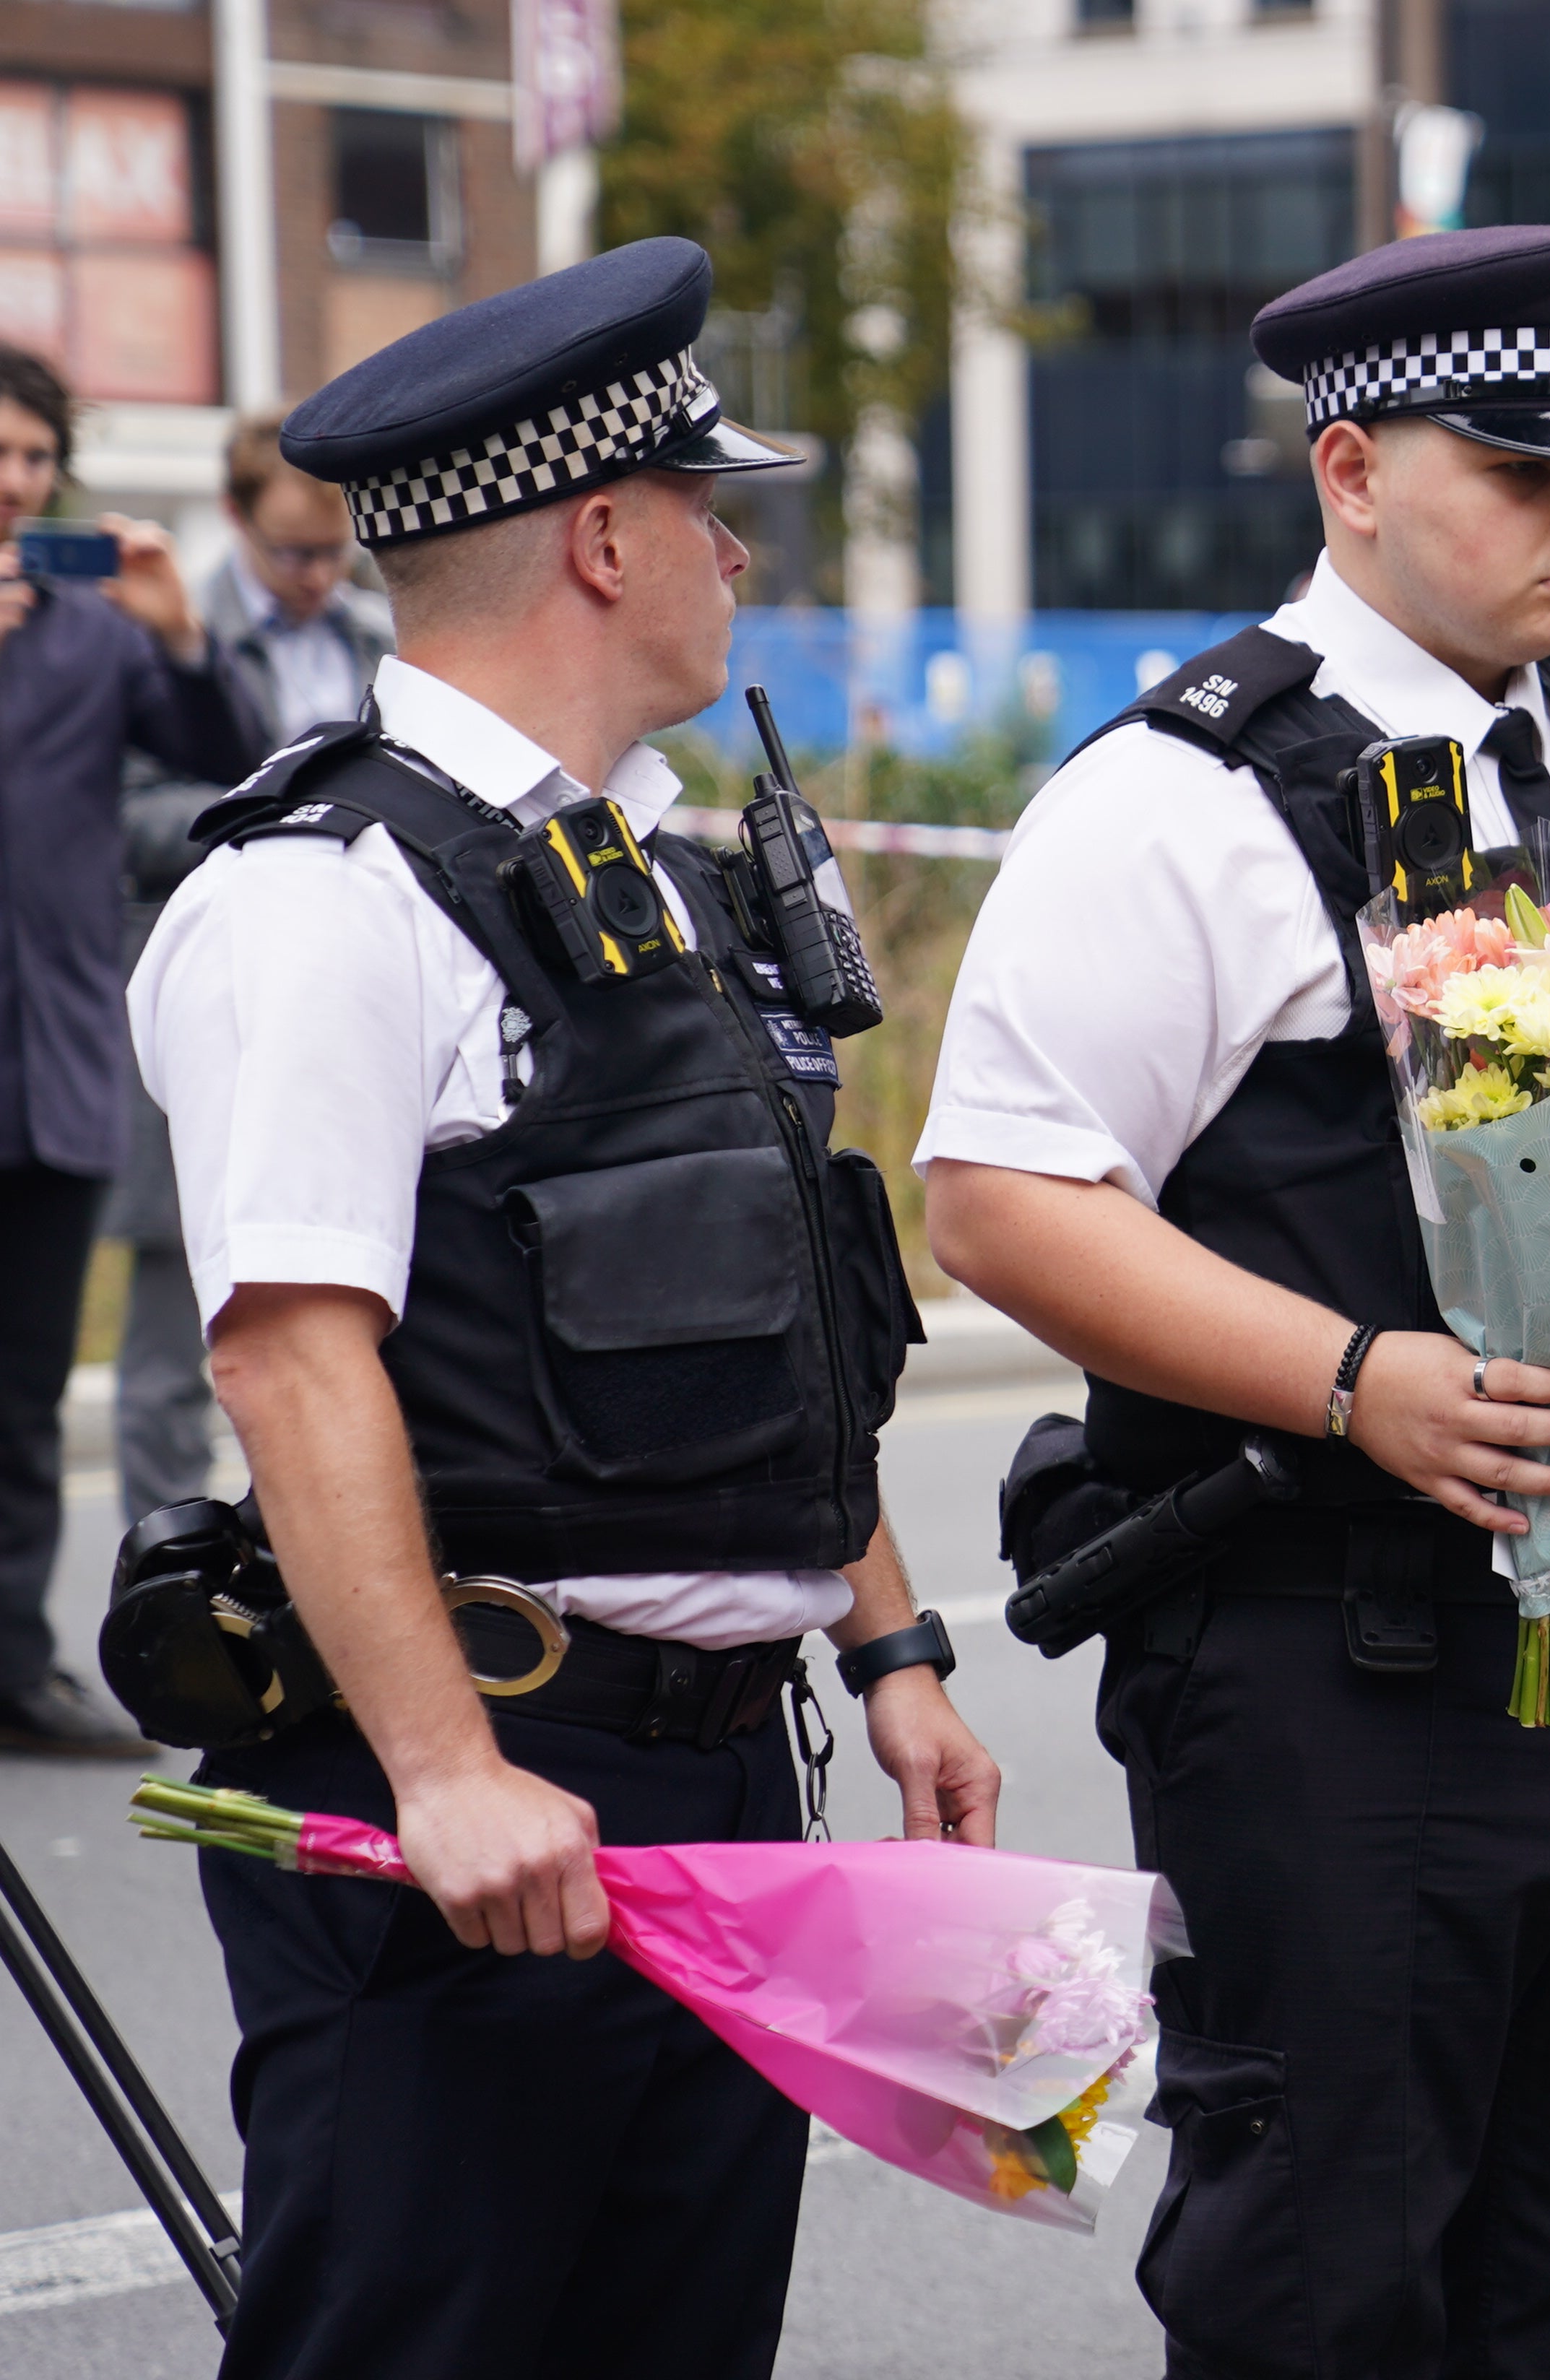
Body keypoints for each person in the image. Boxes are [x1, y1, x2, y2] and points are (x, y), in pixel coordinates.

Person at [916, 223, 1550, 2379]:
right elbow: (996, 1195)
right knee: (1331, 2286)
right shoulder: (1182, 796)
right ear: (1349, 467)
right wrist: (1361, 1382)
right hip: (1347, 1657)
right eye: (1523, 471)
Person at [126, 238, 1001, 2380]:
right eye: (713, 511)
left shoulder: (660, 874)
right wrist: (446, 1776)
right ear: (602, 539)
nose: (735, 554)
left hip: (715, 1783)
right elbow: (287, 1349)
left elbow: (780, 1306)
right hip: (490, 1795)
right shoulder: (320, 899)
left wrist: (882, 1644)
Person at [0, 340, 258, 1755]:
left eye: (37, 460)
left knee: (27, 1399)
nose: (18, 482)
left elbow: (235, 763)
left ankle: (14, 1661)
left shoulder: (95, 636)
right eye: (1, 457)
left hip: (53, 1072)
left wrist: (174, 633)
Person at [112, 412, 399, 1522]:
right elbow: (125, 816)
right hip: (201, 1001)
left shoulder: (379, 638)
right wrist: (281, 821)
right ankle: (170, 1601)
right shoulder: (158, 631)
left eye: (335, 553)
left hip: (348, 1006)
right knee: (166, 1353)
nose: (317, 577)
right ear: (235, 521)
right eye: (291, 553)